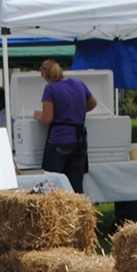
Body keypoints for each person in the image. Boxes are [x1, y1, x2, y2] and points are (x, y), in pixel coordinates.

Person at [34, 60, 96, 194]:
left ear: (46, 75)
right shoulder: (79, 84)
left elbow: (47, 118)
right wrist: (76, 111)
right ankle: (79, 213)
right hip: (79, 141)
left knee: (51, 184)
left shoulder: (50, 89)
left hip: (59, 141)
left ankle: (55, 214)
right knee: (76, 186)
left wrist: (38, 116)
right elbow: (93, 103)